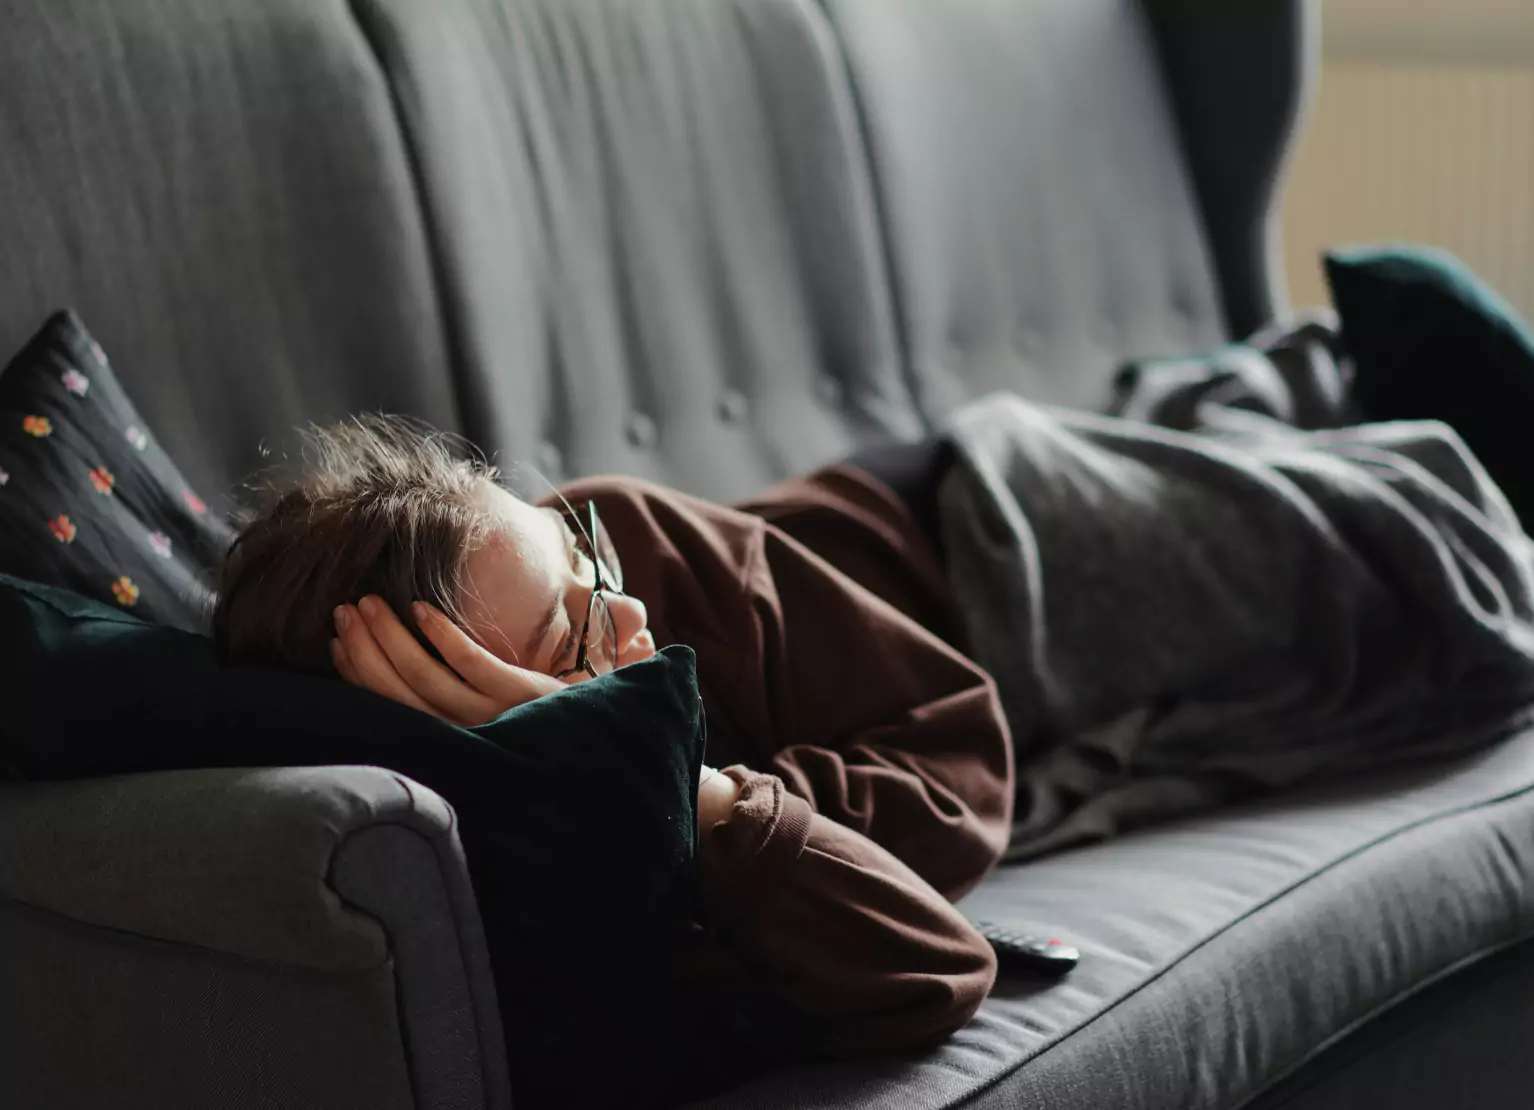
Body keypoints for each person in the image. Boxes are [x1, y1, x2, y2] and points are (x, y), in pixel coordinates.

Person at [213, 417, 1013, 1074]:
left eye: (579, 554)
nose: (627, 612)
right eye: (570, 640)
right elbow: (941, 966)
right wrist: (674, 780)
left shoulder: (635, 534)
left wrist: (744, 801)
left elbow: (962, 766)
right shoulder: (554, 866)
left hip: (974, 511)